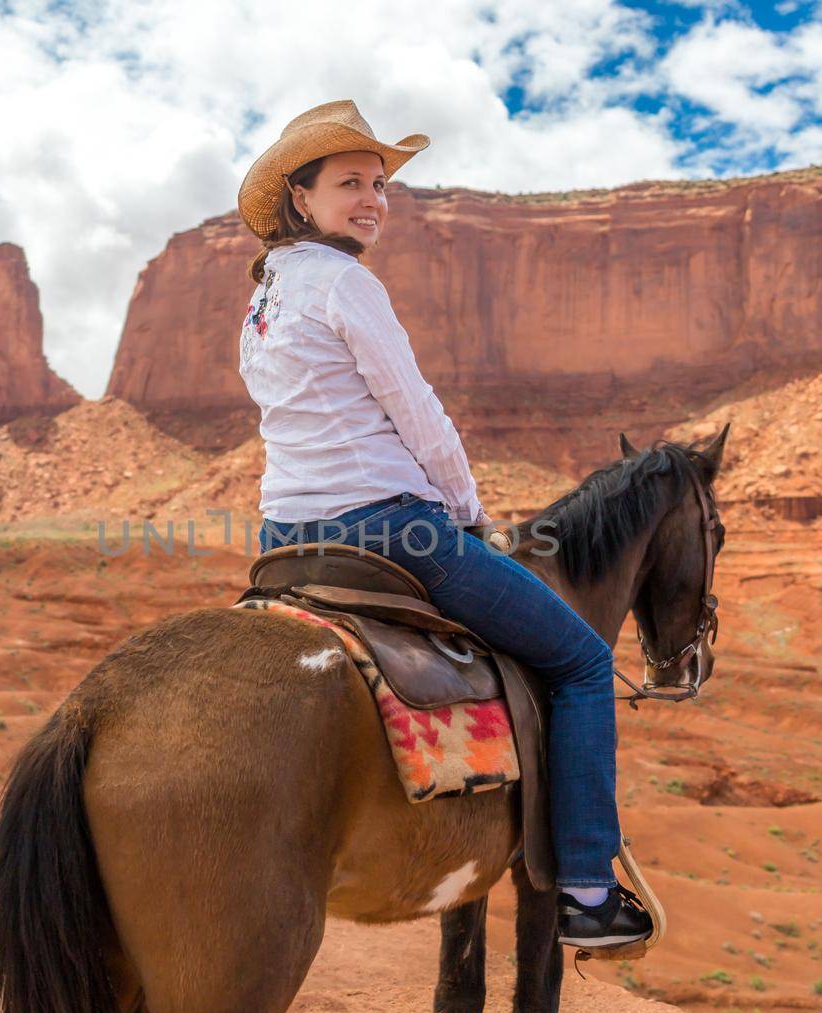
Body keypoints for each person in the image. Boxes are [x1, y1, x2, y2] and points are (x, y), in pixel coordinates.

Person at [234, 99, 651, 949]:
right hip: (392, 529)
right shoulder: (346, 282)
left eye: (380, 184)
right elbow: (417, 414)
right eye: (350, 183)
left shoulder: (263, 304)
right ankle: (584, 889)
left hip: (285, 541)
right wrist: (468, 515)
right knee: (580, 659)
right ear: (299, 197)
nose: (372, 198)